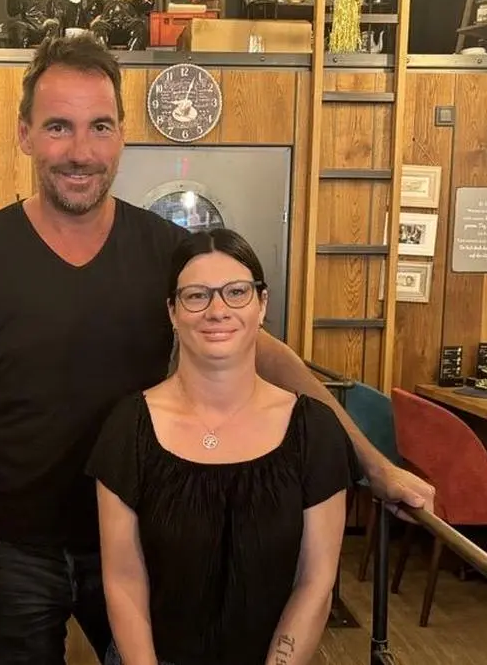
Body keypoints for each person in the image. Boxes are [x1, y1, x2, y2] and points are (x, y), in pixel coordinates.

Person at [0, 33, 434, 664]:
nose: (81, 151)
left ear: (121, 135)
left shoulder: (165, 250)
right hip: (14, 545)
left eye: (99, 127)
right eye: (58, 127)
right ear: (25, 134)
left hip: (143, 536)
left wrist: (375, 466)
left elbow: (268, 356)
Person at [88, 228, 354, 665]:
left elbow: (315, 583)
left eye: (236, 292)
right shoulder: (128, 428)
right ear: (173, 312)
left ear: (261, 304)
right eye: (196, 296)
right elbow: (123, 580)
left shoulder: (314, 431)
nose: (217, 310)